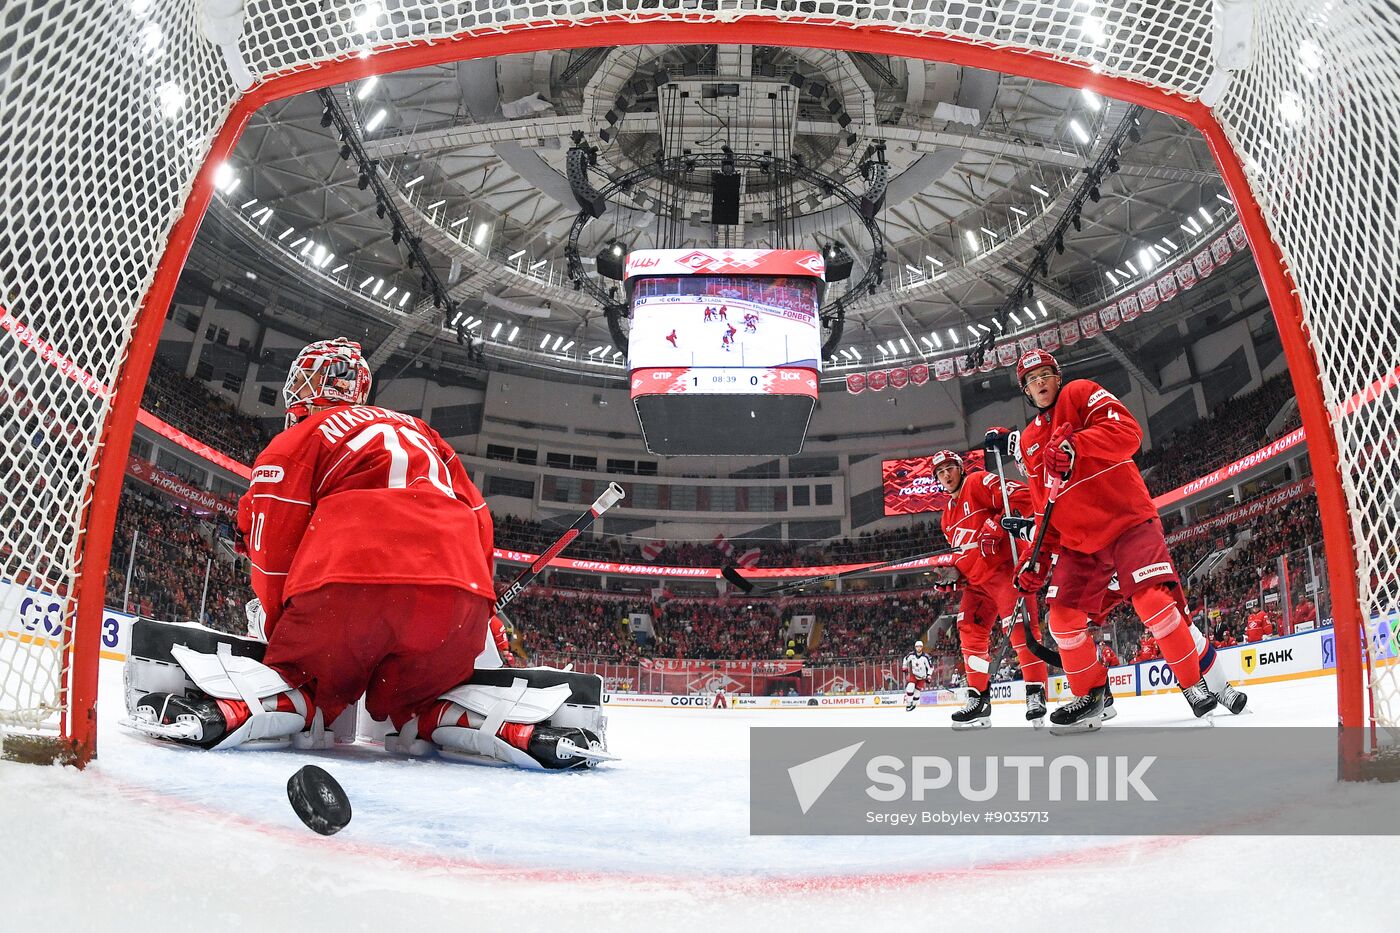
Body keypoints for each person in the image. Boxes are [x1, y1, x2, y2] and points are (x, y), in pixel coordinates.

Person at [128, 338, 605, 768]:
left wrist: (284, 637)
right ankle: (515, 726)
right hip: (456, 604)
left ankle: (228, 709)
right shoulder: (424, 433)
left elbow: (273, 551)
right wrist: (481, 615)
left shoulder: (300, 437)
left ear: (307, 389)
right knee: (420, 705)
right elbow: (480, 521)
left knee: (307, 687)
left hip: (348, 590)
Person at [1004, 348, 1218, 733]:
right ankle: (1092, 695)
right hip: (1080, 542)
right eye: (1031, 379)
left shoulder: (1082, 393)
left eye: (1045, 374)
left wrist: (1075, 446)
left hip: (1126, 521)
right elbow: (1044, 511)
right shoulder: (1029, 441)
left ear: (1057, 375)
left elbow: (1129, 434)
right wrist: (1037, 558)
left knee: (1152, 601)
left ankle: (1193, 683)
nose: (1040, 383)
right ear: (1026, 390)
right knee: (1063, 620)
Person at [929, 448, 1048, 729]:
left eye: (950, 468)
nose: (946, 475)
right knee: (968, 630)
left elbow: (1025, 498)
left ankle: (1035, 693)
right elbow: (962, 553)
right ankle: (979, 700)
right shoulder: (946, 518)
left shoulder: (978, 482)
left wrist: (997, 523)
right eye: (940, 472)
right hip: (977, 583)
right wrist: (954, 571)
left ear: (960, 468)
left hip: (1006, 570)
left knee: (1021, 630)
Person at [902, 639, 936, 712]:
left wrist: (929, 675)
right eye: (917, 647)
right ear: (915, 647)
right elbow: (905, 659)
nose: (918, 648)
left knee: (917, 692)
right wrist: (904, 666)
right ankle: (909, 703)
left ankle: (913, 704)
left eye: (920, 647)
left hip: (922, 677)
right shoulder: (911, 655)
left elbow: (930, 667)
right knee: (910, 687)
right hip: (914, 674)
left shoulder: (926, 657)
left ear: (922, 647)